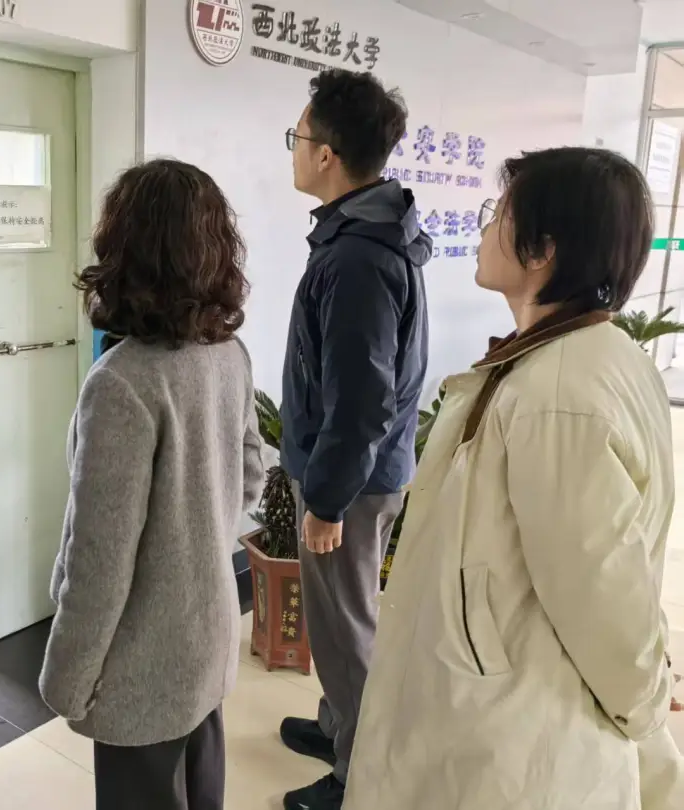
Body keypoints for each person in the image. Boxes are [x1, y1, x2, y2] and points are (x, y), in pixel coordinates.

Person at [342, 146, 682, 810]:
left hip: (514, 738)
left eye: (498, 213)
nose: (484, 227)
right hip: (506, 709)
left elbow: (602, 597)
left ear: (543, 250)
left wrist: (646, 708)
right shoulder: (580, 358)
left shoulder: (557, 395)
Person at [39, 159, 266, 810]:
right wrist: (194, 530)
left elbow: (101, 559)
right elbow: (251, 477)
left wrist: (66, 680)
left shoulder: (122, 382)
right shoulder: (228, 354)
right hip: (207, 637)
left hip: (141, 664)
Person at [278, 67, 430, 810]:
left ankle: (359, 774)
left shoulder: (358, 257)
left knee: (344, 628)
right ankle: (339, 724)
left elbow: (362, 402)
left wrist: (328, 499)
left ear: (327, 154)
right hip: (368, 470)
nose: (294, 149)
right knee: (344, 615)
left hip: (353, 481)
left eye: (298, 137)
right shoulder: (368, 231)